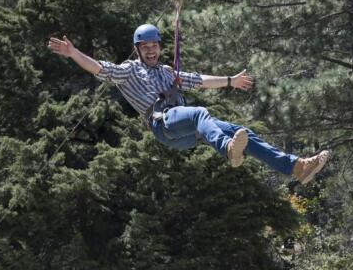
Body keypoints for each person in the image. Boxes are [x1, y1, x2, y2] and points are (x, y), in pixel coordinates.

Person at [48, 24, 329, 184]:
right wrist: (73, 53)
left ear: (159, 46)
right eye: (145, 47)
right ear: (137, 49)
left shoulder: (169, 72)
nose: (151, 50)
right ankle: (228, 150)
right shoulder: (128, 71)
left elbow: (200, 80)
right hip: (164, 125)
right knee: (199, 113)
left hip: (186, 135)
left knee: (240, 130)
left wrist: (231, 80)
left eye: (154, 45)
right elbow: (99, 68)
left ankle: (295, 168)